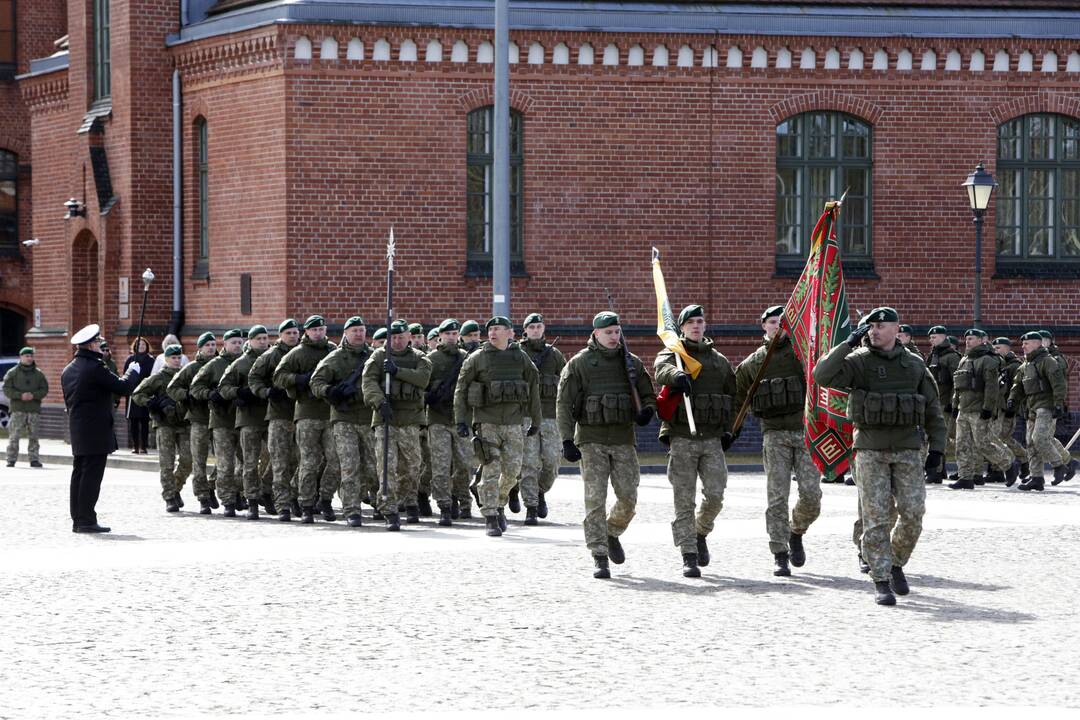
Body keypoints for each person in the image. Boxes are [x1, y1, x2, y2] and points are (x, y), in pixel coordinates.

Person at [814, 307, 946, 606]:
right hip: (870, 450)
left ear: (896, 329)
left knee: (913, 514)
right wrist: (849, 341)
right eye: (870, 327)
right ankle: (881, 578)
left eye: (880, 326)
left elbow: (932, 410)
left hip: (907, 449)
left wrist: (937, 448)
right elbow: (822, 374)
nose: (873, 331)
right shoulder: (858, 362)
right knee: (876, 517)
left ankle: (896, 561)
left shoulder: (913, 365)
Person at [557, 311, 655, 578]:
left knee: (628, 498)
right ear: (596, 334)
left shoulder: (631, 363)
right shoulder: (580, 363)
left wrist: (647, 410)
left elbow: (648, 394)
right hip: (592, 440)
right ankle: (599, 554)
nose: (614, 337)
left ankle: (611, 532)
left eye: (617, 332)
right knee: (595, 500)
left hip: (623, 439)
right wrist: (566, 439)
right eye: (608, 332)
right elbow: (564, 404)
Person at [734, 305, 821, 577]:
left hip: (804, 432)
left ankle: (796, 531)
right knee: (777, 496)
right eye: (772, 322)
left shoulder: (804, 357)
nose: (777, 326)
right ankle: (779, 552)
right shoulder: (753, 363)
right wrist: (729, 430)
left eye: (782, 322)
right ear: (763, 326)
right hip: (774, 435)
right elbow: (738, 399)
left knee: (812, 496)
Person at [654, 304, 737, 578]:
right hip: (682, 438)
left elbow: (732, 398)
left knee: (715, 496)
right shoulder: (675, 355)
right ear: (682, 327)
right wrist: (676, 376)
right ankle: (688, 553)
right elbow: (660, 368)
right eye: (690, 322)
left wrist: (728, 430)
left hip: (712, 439)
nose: (696, 326)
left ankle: (700, 531)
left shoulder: (718, 362)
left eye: (700, 321)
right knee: (683, 500)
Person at [453, 316, 541, 537]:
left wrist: (536, 421)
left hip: (514, 423)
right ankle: (490, 515)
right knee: (491, 469)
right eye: (490, 329)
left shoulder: (521, 358)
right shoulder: (477, 359)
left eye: (498, 329)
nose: (492, 333)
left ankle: (500, 500)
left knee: (512, 472)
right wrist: (461, 421)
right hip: (487, 423)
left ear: (510, 333)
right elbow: (461, 390)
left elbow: (534, 389)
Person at [62, 324, 142, 533]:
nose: (100, 345)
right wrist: (132, 372)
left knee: (79, 473)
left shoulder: (69, 368)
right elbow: (122, 387)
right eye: (98, 342)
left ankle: (79, 518)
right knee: (91, 475)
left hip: (79, 428)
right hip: (95, 429)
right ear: (90, 345)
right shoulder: (95, 367)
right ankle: (86, 520)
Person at [362, 319, 432, 529]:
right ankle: (389, 509)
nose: (397, 341)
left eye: (401, 337)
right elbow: (368, 381)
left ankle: (410, 501)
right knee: (386, 466)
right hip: (386, 420)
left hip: (410, 420)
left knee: (412, 466)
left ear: (409, 337)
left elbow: (423, 379)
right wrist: (379, 401)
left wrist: (397, 371)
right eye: (393, 337)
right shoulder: (379, 356)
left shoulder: (420, 358)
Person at [274, 315, 340, 523]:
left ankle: (325, 498)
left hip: (330, 413)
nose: (318, 333)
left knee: (335, 460)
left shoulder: (333, 351)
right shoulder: (297, 353)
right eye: (314, 330)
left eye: (321, 329)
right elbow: (279, 376)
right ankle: (306, 504)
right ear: (307, 332)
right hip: (307, 413)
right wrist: (299, 379)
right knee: (309, 462)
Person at [311, 316, 373, 527]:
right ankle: (351, 509)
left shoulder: (374, 357)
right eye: (354, 330)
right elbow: (316, 382)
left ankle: (381, 503)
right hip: (343, 419)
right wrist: (330, 391)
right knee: (349, 465)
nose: (358, 334)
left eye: (361, 330)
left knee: (373, 466)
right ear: (345, 333)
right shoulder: (335, 358)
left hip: (368, 417)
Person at [948, 329, 1018, 490]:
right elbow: (958, 386)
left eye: (971, 338)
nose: (967, 341)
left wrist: (988, 408)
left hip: (979, 409)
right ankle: (966, 477)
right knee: (962, 445)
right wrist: (954, 406)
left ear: (981, 340)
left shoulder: (988, 360)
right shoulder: (964, 359)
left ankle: (1008, 464)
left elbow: (992, 387)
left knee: (982, 443)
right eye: (966, 339)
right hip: (964, 409)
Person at [248, 319, 302, 520]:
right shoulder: (271, 356)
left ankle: (272, 489)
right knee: (279, 459)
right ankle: (283, 504)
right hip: (280, 413)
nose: (293, 336)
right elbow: (254, 378)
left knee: (301, 459)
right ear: (281, 335)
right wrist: (266, 392)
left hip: (302, 413)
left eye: (296, 333)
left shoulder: (303, 352)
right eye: (289, 333)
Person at [1009, 331, 1076, 491]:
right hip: (1031, 407)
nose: (1023, 346)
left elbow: (1058, 384)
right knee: (1031, 444)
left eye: (1027, 343)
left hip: (1046, 405)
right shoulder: (1026, 365)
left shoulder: (1048, 361)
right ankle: (1036, 478)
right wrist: (1012, 400)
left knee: (1040, 438)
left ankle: (1059, 465)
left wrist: (1058, 404)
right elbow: (1017, 386)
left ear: (1037, 344)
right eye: (1023, 343)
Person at [219, 325, 272, 519]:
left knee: (280, 457)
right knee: (249, 463)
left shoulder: (274, 359)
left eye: (265, 338)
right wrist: (238, 393)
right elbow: (224, 387)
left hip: (271, 415)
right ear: (250, 341)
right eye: (258, 338)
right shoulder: (240, 364)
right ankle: (251, 501)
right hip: (249, 417)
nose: (263, 341)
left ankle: (266, 491)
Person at [518, 312, 567, 524]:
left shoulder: (554, 355)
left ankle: (539, 491)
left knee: (552, 461)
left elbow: (566, 384)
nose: (536, 331)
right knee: (528, 462)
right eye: (532, 327)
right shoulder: (517, 353)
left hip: (550, 415)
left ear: (543, 329)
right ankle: (530, 505)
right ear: (525, 331)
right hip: (526, 416)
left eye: (539, 327)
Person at [424, 319, 473, 525]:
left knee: (464, 465)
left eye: (455, 333)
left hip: (460, 419)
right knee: (441, 465)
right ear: (440, 337)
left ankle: (463, 501)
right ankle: (444, 505)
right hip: (437, 419)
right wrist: (430, 396)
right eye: (448, 334)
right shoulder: (431, 360)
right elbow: (421, 387)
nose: (452, 337)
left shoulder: (467, 358)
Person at [190, 329, 244, 515]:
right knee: (224, 463)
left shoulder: (247, 362)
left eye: (240, 342)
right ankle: (225, 500)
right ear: (226, 344)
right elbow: (195, 388)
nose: (237, 345)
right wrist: (210, 394)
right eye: (233, 342)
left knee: (247, 463)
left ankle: (231, 490)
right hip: (221, 420)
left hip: (244, 419)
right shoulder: (214, 365)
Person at [132, 345, 191, 512]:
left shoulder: (185, 377)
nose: (177, 360)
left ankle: (175, 488)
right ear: (166, 359)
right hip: (165, 424)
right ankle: (169, 496)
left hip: (184, 423)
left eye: (179, 358)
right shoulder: (158, 378)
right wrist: (152, 403)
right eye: (173, 358)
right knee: (167, 462)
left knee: (188, 460)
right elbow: (137, 394)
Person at [167, 332, 219, 513]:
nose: (211, 348)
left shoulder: (222, 365)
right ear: (200, 348)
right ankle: (201, 497)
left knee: (226, 460)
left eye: (213, 344)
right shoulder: (191, 368)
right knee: (198, 460)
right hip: (199, 419)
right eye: (207, 345)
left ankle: (212, 485)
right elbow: (172, 388)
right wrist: (188, 396)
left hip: (222, 419)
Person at [925, 326, 960, 482]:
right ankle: (940, 469)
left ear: (944, 337)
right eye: (931, 338)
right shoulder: (933, 355)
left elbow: (956, 382)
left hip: (945, 402)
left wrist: (953, 402)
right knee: (933, 435)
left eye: (935, 337)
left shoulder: (951, 357)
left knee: (940, 437)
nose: (932, 340)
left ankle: (935, 472)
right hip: (933, 401)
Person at [4, 347, 48, 468]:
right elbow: (7, 389)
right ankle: (11, 459)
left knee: (34, 436)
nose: (29, 358)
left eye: (31, 356)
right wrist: (20, 395)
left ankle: (34, 459)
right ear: (21, 357)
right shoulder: (12, 373)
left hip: (33, 409)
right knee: (14, 436)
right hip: (18, 409)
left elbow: (44, 389)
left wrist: (34, 395)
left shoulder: (39, 374)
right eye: (26, 356)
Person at [993, 337, 1029, 483]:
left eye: (999, 348)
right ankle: (1022, 459)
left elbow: (1018, 390)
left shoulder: (1014, 366)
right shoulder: (997, 363)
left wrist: (1012, 408)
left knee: (999, 437)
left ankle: (1005, 466)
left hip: (1008, 409)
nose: (996, 351)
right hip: (998, 408)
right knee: (1001, 437)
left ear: (1007, 348)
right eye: (994, 348)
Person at [124, 338, 154, 453]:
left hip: (145, 392)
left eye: (143, 344)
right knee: (134, 421)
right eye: (138, 344)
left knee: (144, 420)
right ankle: (135, 445)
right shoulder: (131, 359)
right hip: (133, 393)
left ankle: (144, 446)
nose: (141, 346)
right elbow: (125, 375)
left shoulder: (150, 360)